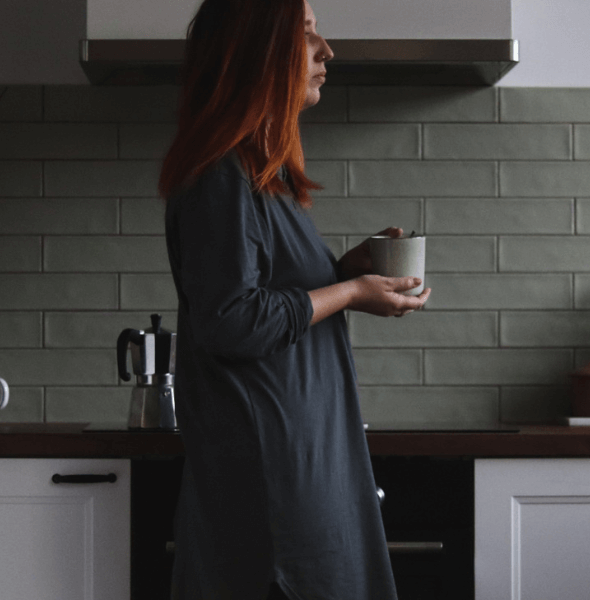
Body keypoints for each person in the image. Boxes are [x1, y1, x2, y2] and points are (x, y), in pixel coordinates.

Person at [158, 0, 431, 598]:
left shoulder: (261, 175)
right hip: (273, 472)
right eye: (305, 33)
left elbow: (265, 297)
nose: (326, 50)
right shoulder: (220, 174)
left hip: (303, 459)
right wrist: (353, 290)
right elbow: (232, 321)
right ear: (257, 52)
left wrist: (343, 271)